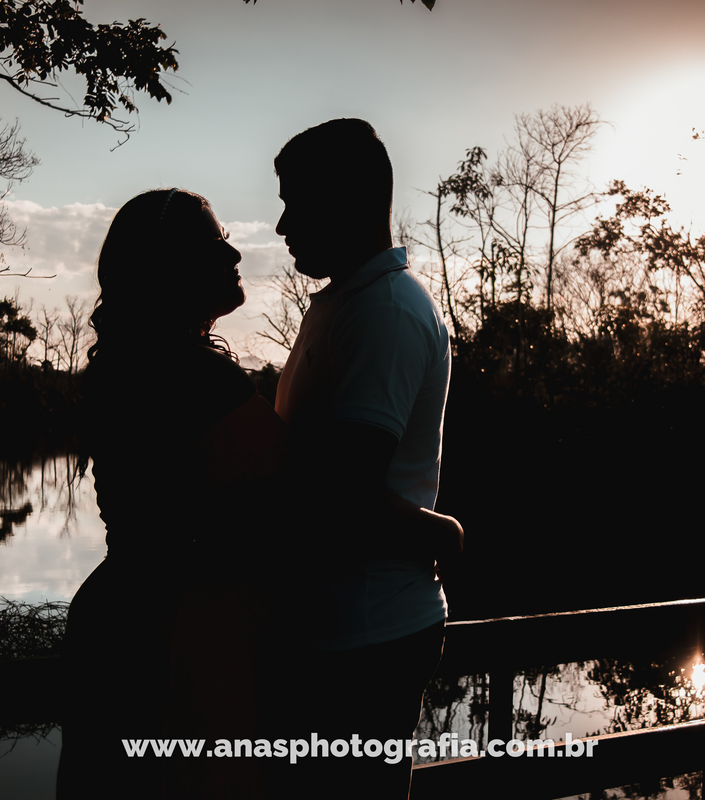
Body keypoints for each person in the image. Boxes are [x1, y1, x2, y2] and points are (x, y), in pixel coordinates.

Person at [57, 188, 279, 799]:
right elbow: (301, 492)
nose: (234, 253)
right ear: (172, 266)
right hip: (177, 638)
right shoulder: (199, 379)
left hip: (119, 619)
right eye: (214, 243)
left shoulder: (129, 364)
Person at [268, 118, 457, 799]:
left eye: (296, 201)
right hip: (332, 630)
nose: (283, 223)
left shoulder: (386, 313)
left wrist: (448, 531)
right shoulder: (343, 306)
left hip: (368, 637)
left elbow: (342, 493)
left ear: (346, 201)